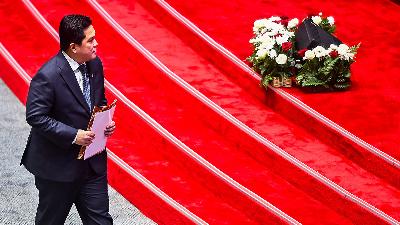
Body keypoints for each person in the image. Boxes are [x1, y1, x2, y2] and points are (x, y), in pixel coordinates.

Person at [21, 14, 116, 225]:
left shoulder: (95, 64)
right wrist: (74, 135)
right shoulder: (48, 75)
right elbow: (36, 116)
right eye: (90, 40)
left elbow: (98, 101)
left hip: (92, 164)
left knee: (101, 222)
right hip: (57, 168)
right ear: (73, 47)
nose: (96, 44)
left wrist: (105, 122)